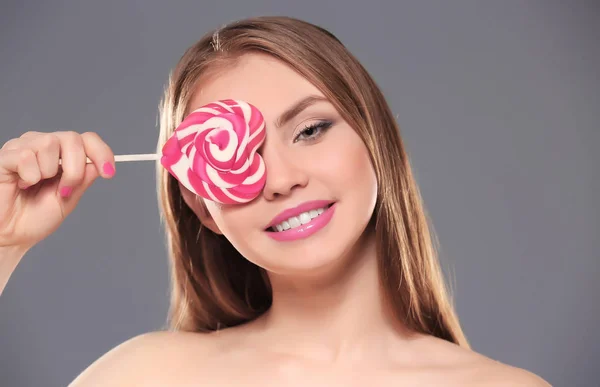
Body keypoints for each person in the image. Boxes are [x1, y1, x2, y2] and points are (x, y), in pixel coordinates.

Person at [0, 16, 549, 386]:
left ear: (374, 140)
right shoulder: (144, 375)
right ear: (202, 208)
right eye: (234, 153)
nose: (279, 180)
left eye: (310, 130)